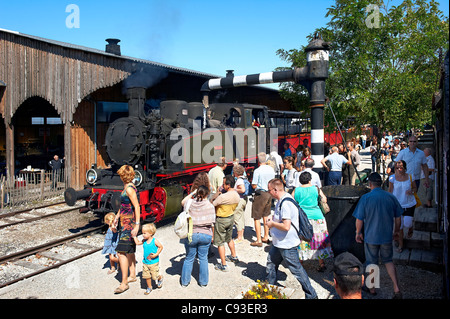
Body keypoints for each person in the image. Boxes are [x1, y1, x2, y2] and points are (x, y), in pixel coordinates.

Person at [353, 173, 403, 298]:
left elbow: (359, 219)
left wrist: (358, 232)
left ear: (370, 184)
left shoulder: (366, 198)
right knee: (388, 260)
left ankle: (372, 288)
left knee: (371, 262)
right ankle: (396, 288)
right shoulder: (391, 197)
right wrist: (396, 232)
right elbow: (398, 218)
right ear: (381, 184)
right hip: (386, 236)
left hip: (371, 236)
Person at [266, 178, 318, 299]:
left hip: (287, 244)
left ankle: (312, 295)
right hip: (279, 242)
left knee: (297, 271)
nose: (268, 192)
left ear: (275, 190)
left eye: (269, 190)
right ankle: (270, 288)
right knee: (271, 263)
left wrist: (272, 224)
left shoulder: (285, 203)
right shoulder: (283, 199)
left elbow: (286, 226)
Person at [292, 172, 333, 272]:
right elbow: (324, 199)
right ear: (310, 179)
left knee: (303, 239)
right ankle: (321, 263)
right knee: (318, 239)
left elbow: (292, 201)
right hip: (317, 216)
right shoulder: (316, 189)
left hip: (303, 217)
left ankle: (301, 262)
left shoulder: (296, 190)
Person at [111, 165, 140, 294]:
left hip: (129, 223)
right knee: (129, 249)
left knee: (121, 252)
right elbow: (124, 205)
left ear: (122, 175)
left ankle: (124, 283)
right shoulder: (128, 187)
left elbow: (137, 206)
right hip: (124, 221)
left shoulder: (129, 189)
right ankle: (132, 275)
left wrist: (137, 225)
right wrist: (117, 217)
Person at [180, 185, 216, 287]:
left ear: (197, 193)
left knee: (189, 258)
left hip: (192, 234)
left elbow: (183, 201)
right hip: (205, 234)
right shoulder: (210, 206)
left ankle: (185, 282)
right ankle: (203, 282)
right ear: (207, 194)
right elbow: (212, 223)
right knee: (203, 258)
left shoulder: (190, 203)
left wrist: (192, 193)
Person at [212, 175, 240, 271]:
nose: (222, 186)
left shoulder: (222, 197)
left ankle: (223, 265)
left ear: (228, 185)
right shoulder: (237, 195)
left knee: (220, 242)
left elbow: (212, 205)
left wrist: (214, 196)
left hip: (221, 219)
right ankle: (234, 256)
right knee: (229, 238)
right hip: (230, 217)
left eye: (224, 184)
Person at [388, 160, 417, 251]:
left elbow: (415, 188)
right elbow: (390, 191)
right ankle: (401, 245)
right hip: (397, 205)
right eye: (397, 167)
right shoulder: (392, 178)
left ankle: (410, 228)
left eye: (401, 167)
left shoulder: (410, 176)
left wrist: (411, 191)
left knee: (407, 223)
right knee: (399, 227)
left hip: (409, 204)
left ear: (405, 167)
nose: (399, 169)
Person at [250, 152, 275, 247]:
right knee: (266, 215)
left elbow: (254, 184)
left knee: (256, 217)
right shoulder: (271, 169)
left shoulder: (257, 171)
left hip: (260, 193)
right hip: (269, 193)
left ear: (258, 160)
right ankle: (266, 236)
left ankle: (259, 239)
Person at [134, 223, 163, 295]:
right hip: (145, 262)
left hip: (154, 262)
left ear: (150, 233)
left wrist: (156, 254)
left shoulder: (154, 241)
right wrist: (134, 236)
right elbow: (137, 243)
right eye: (142, 233)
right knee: (147, 276)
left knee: (154, 276)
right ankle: (149, 287)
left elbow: (161, 247)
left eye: (144, 233)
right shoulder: (144, 241)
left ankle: (160, 278)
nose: (143, 235)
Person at [233, 165, 247, 243]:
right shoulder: (244, 178)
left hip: (240, 200)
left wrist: (234, 189)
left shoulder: (239, 180)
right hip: (243, 199)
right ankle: (241, 235)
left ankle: (239, 237)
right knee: (241, 217)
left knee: (237, 217)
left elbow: (242, 189)